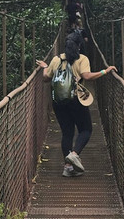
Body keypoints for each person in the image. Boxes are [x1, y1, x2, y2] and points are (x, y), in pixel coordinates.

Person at [36, 29, 117, 177]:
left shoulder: (56, 59)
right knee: (86, 130)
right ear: (79, 46)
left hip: (58, 101)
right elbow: (87, 76)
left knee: (67, 133)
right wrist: (105, 71)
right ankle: (74, 154)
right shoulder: (82, 59)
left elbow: (46, 78)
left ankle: (68, 168)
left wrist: (45, 67)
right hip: (75, 100)